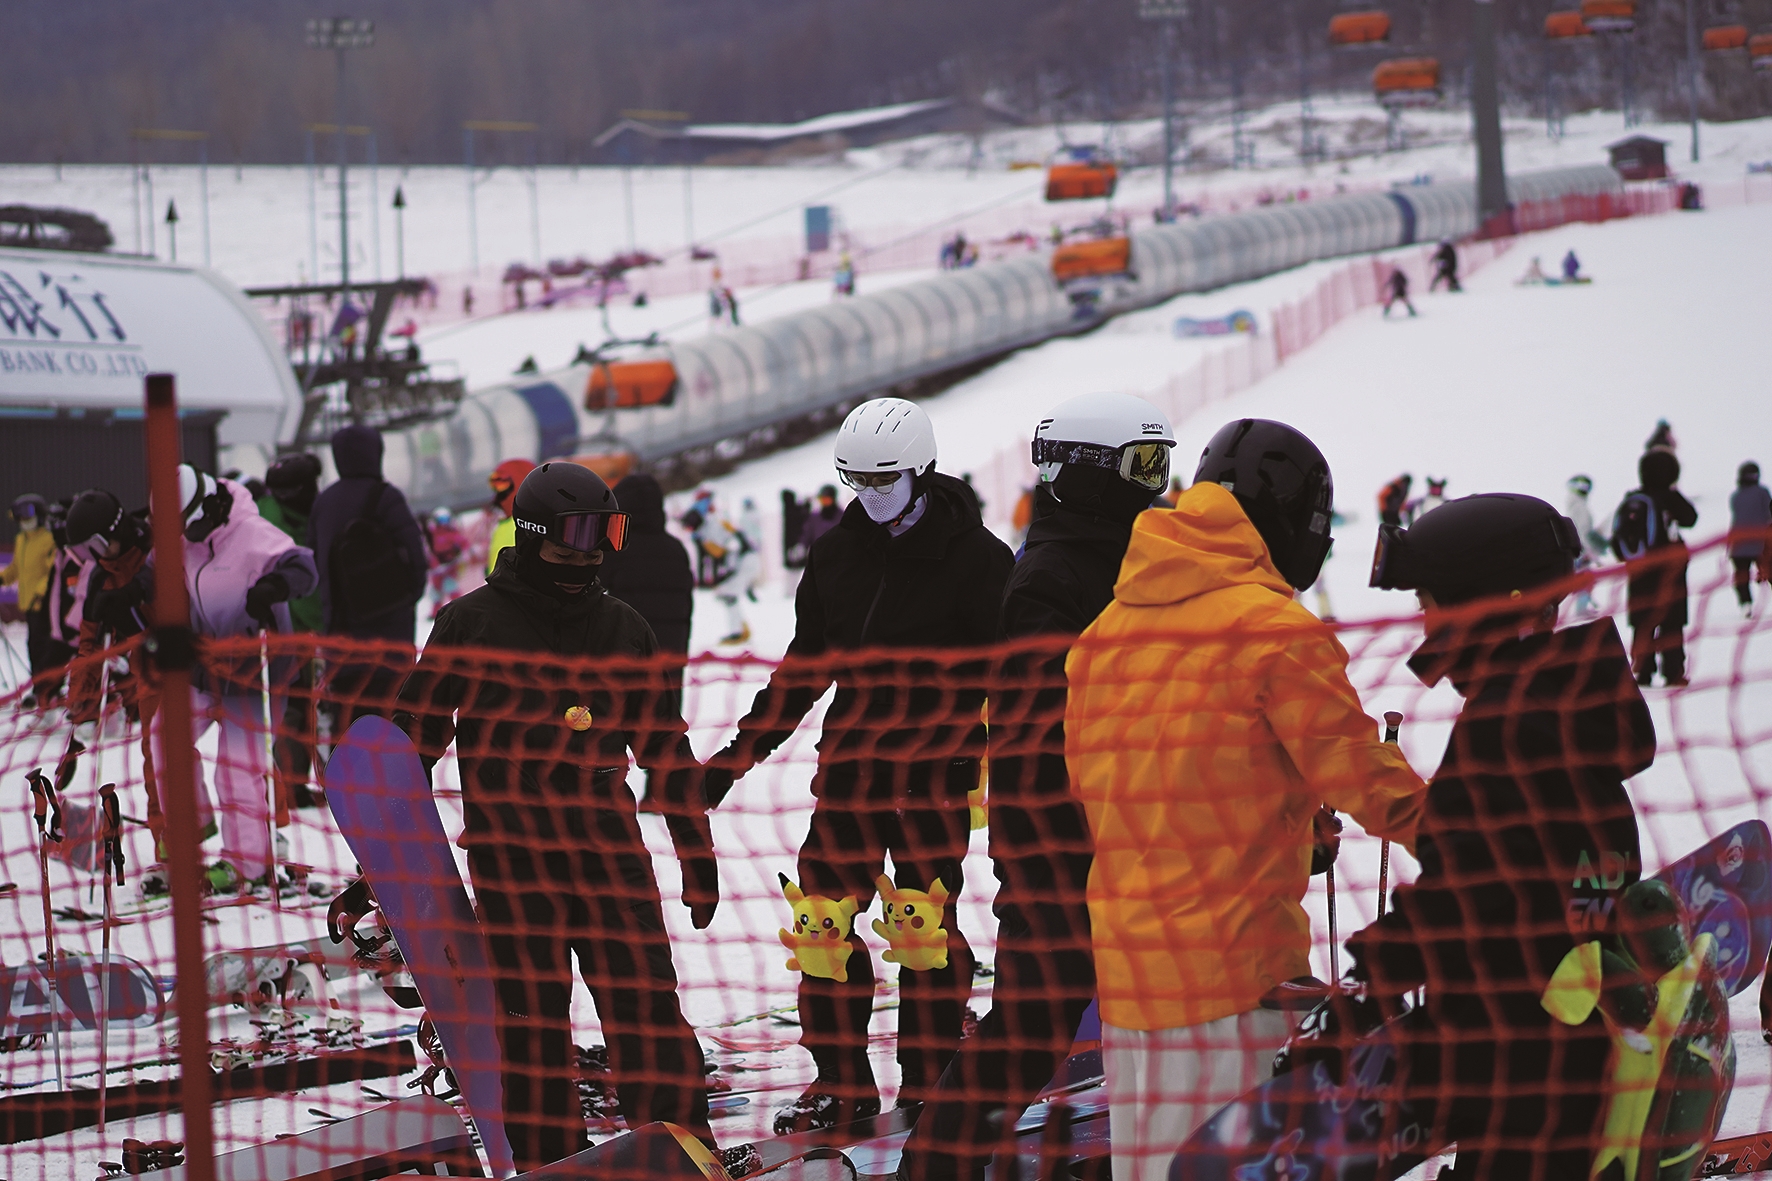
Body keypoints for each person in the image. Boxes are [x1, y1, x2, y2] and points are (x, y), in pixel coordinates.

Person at [1064, 419, 1427, 1181]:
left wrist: (1280, 806)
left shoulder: (1102, 635)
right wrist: (1475, 833)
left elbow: (1127, 787)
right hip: (1233, 975)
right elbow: (1361, 772)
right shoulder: (1272, 629)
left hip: (1131, 974)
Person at [701, 397, 1014, 1134]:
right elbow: (806, 665)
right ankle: (840, 1081)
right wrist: (737, 756)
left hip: (931, 779)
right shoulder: (838, 553)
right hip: (849, 774)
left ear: (921, 471)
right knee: (820, 926)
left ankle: (932, 1077)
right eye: (856, 480)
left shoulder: (978, 560)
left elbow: (1010, 680)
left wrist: (1003, 762)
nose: (869, 495)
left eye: (883, 480)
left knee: (921, 931)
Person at [395, 462, 718, 1170]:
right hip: (515, 864)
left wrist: (697, 854)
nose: (586, 558)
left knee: (649, 1014)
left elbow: (666, 748)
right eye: (571, 544)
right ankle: (553, 1163)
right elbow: (415, 738)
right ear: (534, 535)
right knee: (531, 1029)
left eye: (599, 542)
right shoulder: (471, 623)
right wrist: (386, 847)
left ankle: (683, 1154)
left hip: (610, 857)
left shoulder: (624, 627)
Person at [899, 393, 1176, 1181]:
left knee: (1145, 998)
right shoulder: (1052, 577)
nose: (1155, 485)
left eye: (1159, 465)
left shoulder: (1128, 557)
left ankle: (1151, 1143)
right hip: (1058, 835)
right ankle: (935, 1166)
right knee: (1035, 1015)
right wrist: (1060, 841)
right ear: (1089, 474)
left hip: (1124, 823)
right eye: (1141, 466)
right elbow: (1038, 733)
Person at [1343, 492, 1654, 1181]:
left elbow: (1461, 894)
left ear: (1483, 606)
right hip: (1577, 1052)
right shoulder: (1572, 711)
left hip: (1512, 1068)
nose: (1425, 625)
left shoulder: (1502, 727)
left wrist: (1369, 980)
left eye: (1430, 605)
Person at [155, 467, 318, 891]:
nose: (184, 537)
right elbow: (153, 567)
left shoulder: (250, 533)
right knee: (164, 737)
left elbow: (303, 566)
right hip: (206, 666)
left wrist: (274, 585)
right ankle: (192, 827)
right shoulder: (186, 538)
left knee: (236, 768)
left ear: (206, 507)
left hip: (256, 671)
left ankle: (247, 865)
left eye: (187, 526)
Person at [60, 491, 166, 834]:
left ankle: (261, 836)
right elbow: (90, 645)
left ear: (115, 531)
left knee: (238, 749)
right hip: (152, 670)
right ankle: (166, 840)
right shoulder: (100, 577)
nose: (92, 558)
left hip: (196, 658)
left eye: (94, 546)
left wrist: (133, 609)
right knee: (157, 754)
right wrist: (80, 696)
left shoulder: (157, 550)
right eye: (80, 553)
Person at [310, 424, 428, 715]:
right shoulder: (386, 497)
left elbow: (314, 568)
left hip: (341, 648)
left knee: (351, 729)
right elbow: (416, 559)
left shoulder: (323, 504)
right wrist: (402, 601)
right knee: (394, 725)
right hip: (390, 644)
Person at [601, 472, 696, 809]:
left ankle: (607, 790)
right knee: (662, 725)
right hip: (669, 651)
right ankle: (661, 790)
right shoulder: (676, 549)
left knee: (610, 722)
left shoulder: (615, 549)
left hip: (624, 651)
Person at [258, 453, 326, 811]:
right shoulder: (289, 517)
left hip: (287, 628)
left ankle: (292, 786)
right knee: (302, 708)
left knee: (294, 708)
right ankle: (295, 787)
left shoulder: (266, 512)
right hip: (294, 629)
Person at [1611, 447, 1697, 688]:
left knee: (1642, 621)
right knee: (1672, 621)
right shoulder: (1669, 498)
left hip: (1640, 573)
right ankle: (1673, 671)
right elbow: (1690, 518)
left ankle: (1642, 669)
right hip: (1669, 571)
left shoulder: (1633, 499)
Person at [4, 494, 59, 699]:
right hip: (28, 604)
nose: (24, 523)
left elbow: (52, 571)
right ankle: (39, 687)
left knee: (44, 647)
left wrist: (40, 593)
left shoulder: (48, 540)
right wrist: (3, 579)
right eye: (21, 519)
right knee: (33, 647)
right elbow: (16, 568)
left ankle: (46, 689)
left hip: (44, 604)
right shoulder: (21, 540)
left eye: (28, 518)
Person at [1731, 461, 1771, 618]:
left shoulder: (1736, 495)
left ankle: (1745, 603)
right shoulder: (1762, 493)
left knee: (1742, 576)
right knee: (1770, 571)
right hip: (1761, 542)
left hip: (1739, 543)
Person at [1565, 475, 1608, 616]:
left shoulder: (1574, 506)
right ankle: (1581, 610)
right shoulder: (1579, 507)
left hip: (1578, 550)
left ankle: (1582, 607)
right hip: (1581, 551)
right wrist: (1591, 552)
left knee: (1584, 580)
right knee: (1584, 579)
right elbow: (1584, 532)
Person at [487, 458, 538, 574]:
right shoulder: (503, 525)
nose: (497, 492)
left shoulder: (527, 526)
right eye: (494, 484)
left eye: (502, 484)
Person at [799, 484, 843, 553]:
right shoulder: (814, 519)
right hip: (819, 556)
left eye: (827, 500)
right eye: (822, 500)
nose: (825, 503)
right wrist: (801, 547)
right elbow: (807, 536)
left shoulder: (842, 517)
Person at [782, 489, 813, 569]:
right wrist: (807, 504)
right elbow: (803, 515)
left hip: (795, 542)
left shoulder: (789, 510)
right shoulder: (793, 510)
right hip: (797, 542)